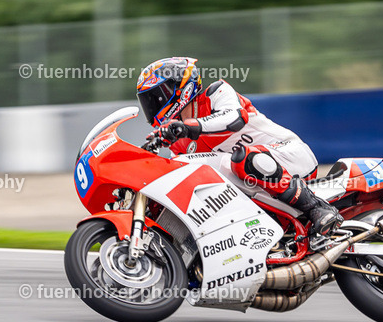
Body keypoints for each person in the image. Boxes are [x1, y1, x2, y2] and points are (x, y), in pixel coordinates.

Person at [136, 56, 342, 235]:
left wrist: (188, 126)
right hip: (258, 187)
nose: (153, 106)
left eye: (156, 97)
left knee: (243, 158)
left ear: (179, 88)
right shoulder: (179, 142)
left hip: (291, 156)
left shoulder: (216, 93)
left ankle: (317, 209)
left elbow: (234, 118)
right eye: (148, 101)